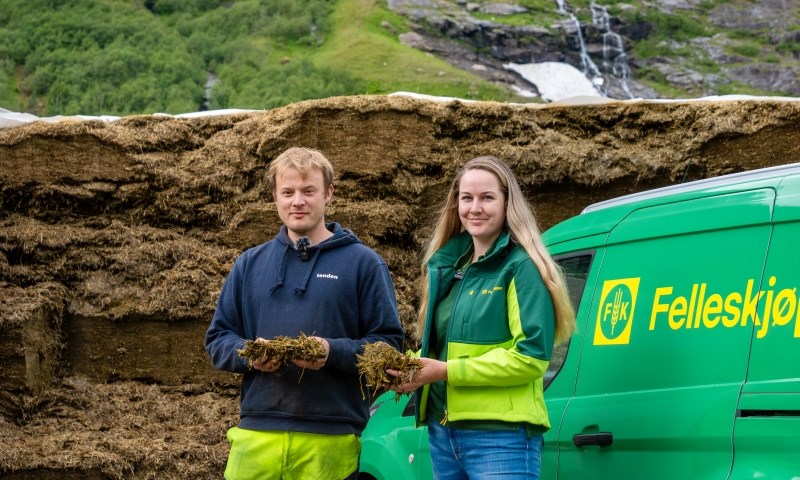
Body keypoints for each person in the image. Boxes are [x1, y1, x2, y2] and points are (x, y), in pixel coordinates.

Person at [205, 146, 404, 480]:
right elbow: (218, 339)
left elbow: (388, 346)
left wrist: (331, 352)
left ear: (328, 194)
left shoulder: (364, 264)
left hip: (330, 439)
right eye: (288, 192)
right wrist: (249, 354)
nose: (297, 201)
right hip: (257, 436)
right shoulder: (250, 264)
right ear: (275, 197)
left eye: (308, 191)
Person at [389, 155, 576, 480]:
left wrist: (444, 371)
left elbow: (531, 359)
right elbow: (446, 349)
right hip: (443, 432)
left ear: (507, 203)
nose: (475, 208)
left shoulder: (521, 267)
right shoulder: (450, 266)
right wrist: (408, 367)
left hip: (501, 437)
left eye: (487, 198)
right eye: (467, 198)